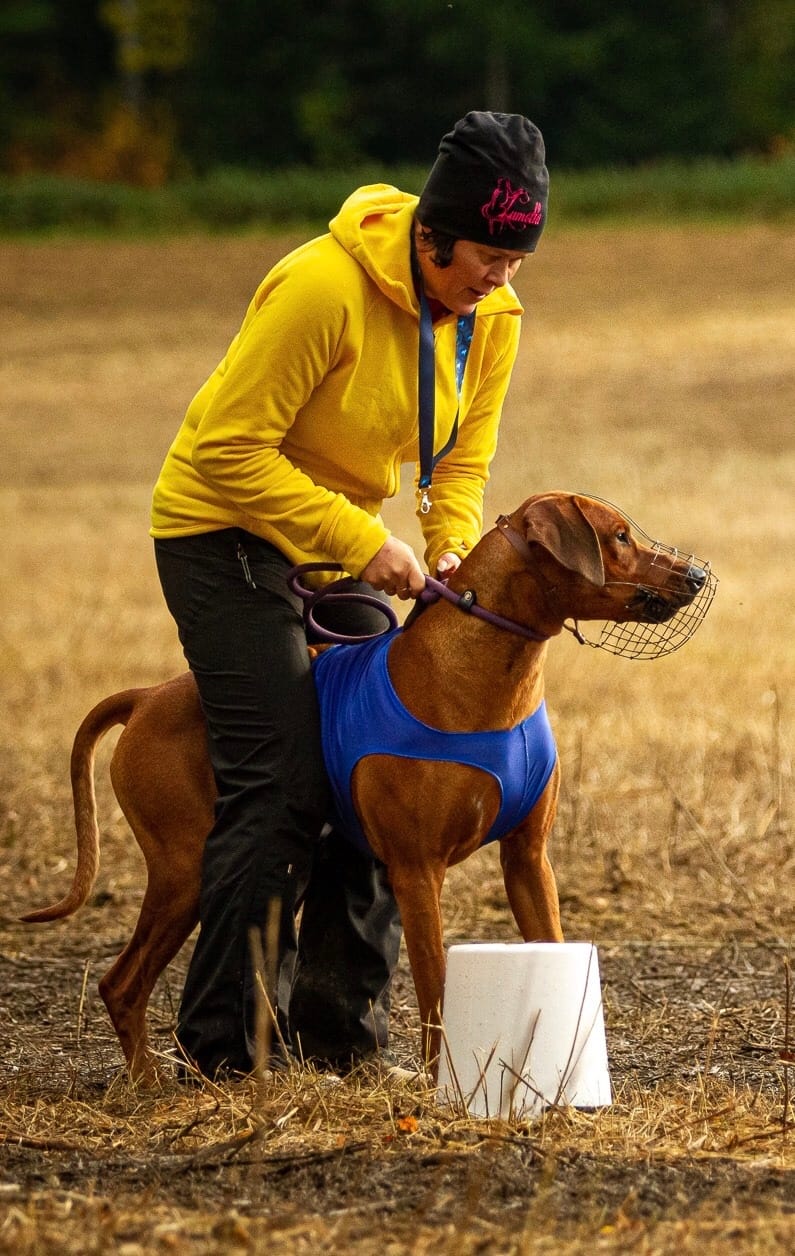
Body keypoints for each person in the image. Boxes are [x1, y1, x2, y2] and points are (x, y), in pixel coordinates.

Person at [150, 111, 549, 1079]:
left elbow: (460, 464)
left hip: (341, 542)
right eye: (486, 257)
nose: (499, 278)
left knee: (383, 760)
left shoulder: (491, 316)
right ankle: (228, 1049)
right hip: (222, 531)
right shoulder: (321, 288)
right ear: (431, 236)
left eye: (515, 259)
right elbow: (227, 449)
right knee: (282, 778)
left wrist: (450, 553)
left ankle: (338, 1041)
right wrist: (363, 542)